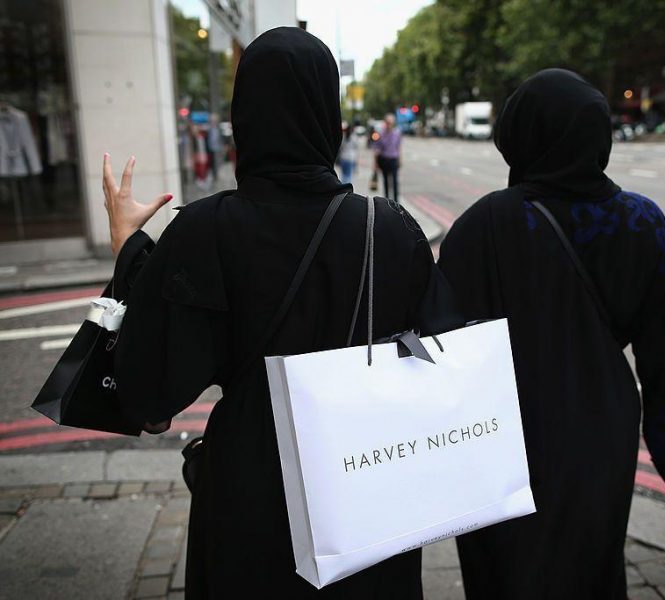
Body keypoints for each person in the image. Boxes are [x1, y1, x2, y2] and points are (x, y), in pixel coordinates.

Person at [101, 27, 453, 598]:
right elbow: (440, 359)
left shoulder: (203, 231)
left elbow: (149, 402)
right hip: (368, 489)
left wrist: (129, 252)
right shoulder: (390, 229)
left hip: (250, 489)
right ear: (328, 114)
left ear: (245, 116)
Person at [438, 69, 665, 598]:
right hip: (599, 434)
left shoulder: (483, 225)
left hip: (498, 443)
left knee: (503, 576)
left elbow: (440, 351)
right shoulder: (643, 224)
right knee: (592, 566)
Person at [373, 113, 401, 201]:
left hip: (393, 160)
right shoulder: (380, 134)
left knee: (395, 182)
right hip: (384, 160)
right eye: (387, 122)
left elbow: (398, 147)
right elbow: (377, 150)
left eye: (391, 122)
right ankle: (387, 201)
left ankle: (396, 203)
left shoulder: (397, 133)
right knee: (386, 182)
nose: (389, 124)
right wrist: (375, 164)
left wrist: (400, 160)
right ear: (385, 123)